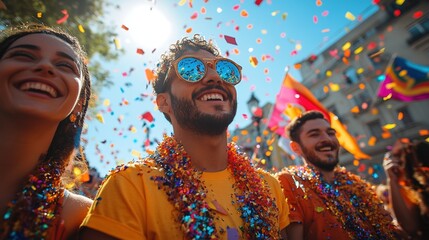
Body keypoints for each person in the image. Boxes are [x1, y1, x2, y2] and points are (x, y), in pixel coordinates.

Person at [80, 34, 290, 239]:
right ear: (164, 102)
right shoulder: (130, 186)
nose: (215, 77)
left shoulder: (268, 187)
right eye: (191, 69)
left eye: (224, 70)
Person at [0, 24, 93, 239]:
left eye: (65, 65)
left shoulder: (83, 219)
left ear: (79, 103)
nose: (45, 67)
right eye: (23, 56)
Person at [276, 110, 400, 239]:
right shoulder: (289, 182)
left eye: (330, 133)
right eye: (314, 134)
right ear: (296, 147)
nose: (327, 139)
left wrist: (394, 180)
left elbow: (396, 229)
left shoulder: (356, 184)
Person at [383, 138, 429, 239]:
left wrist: (392, 181)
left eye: (401, 162)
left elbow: (410, 227)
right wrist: (392, 181)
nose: (399, 168)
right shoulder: (417, 193)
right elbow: (410, 226)